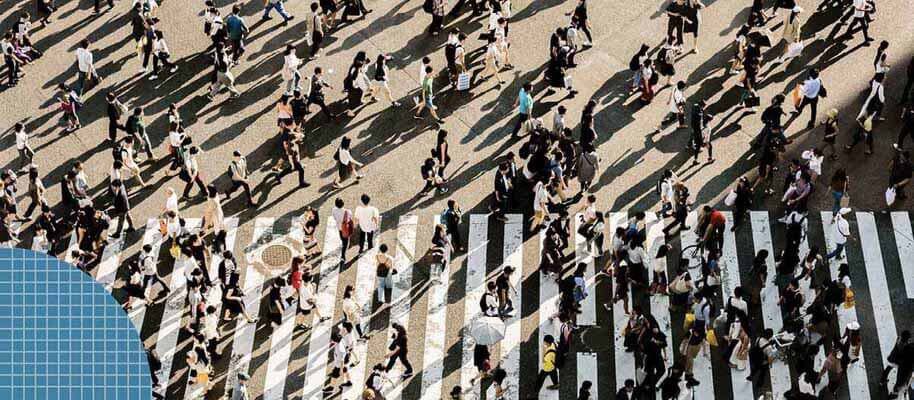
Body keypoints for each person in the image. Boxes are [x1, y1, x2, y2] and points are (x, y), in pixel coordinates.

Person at [690, 100, 714, 165]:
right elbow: (706, 136)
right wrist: (705, 142)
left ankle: (695, 160)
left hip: (696, 132)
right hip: (702, 138)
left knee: (697, 148)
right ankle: (710, 158)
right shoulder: (708, 128)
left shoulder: (694, 106)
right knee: (710, 147)